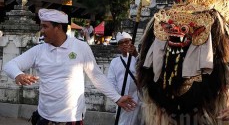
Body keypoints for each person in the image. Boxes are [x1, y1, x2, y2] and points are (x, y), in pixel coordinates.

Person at [3, 9, 136, 125]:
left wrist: (117, 98)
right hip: (45, 116)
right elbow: (10, 65)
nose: (42, 31)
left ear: (58, 27)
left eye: (45, 26)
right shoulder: (39, 50)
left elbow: (96, 76)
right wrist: (18, 75)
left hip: (72, 118)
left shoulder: (81, 47)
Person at [107, 32, 141, 124]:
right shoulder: (115, 62)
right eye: (121, 43)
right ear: (118, 47)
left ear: (131, 43)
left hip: (137, 98)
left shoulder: (138, 58)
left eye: (127, 41)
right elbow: (111, 82)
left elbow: (144, 70)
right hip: (122, 99)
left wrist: (135, 54)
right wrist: (117, 98)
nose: (124, 44)